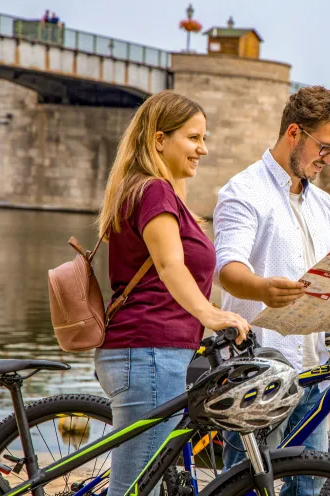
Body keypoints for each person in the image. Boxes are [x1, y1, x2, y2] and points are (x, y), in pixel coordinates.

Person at [94, 90, 250, 496]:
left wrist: (211, 312)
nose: (204, 148)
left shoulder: (151, 189)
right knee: (133, 489)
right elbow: (168, 267)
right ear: (159, 139)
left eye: (205, 137)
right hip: (149, 353)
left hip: (151, 352)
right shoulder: (154, 191)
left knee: (147, 482)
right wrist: (211, 315)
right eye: (194, 138)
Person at [213, 86, 330, 496]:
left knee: (307, 491)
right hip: (258, 373)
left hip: (313, 373)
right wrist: (261, 287)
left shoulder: (323, 204)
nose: (329, 159)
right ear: (294, 133)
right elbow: (227, 268)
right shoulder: (244, 190)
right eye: (325, 147)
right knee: (244, 488)